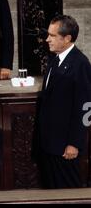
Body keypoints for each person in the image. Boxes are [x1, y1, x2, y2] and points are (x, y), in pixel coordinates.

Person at [35, 15, 91, 188]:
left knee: (67, 191)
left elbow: (85, 107)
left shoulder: (80, 64)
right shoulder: (54, 60)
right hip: (48, 145)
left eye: (52, 36)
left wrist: (74, 143)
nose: (47, 39)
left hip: (65, 147)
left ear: (67, 38)